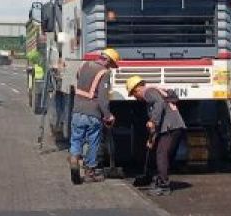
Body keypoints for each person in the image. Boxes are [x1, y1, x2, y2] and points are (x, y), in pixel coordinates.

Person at [126, 75, 187, 196]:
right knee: (164, 155)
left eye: (133, 94)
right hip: (175, 127)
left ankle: (163, 186)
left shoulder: (148, 92)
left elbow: (159, 104)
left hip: (170, 128)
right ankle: (158, 179)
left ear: (137, 89)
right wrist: (151, 139)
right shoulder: (155, 93)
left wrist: (153, 120)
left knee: (161, 154)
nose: (135, 98)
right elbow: (159, 118)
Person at [70, 48, 119, 183]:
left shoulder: (84, 65)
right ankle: (89, 172)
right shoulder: (104, 73)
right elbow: (103, 98)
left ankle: (74, 159)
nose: (110, 68)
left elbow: (79, 81)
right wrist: (108, 115)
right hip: (92, 113)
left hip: (77, 111)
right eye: (111, 65)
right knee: (93, 142)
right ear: (108, 61)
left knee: (76, 139)